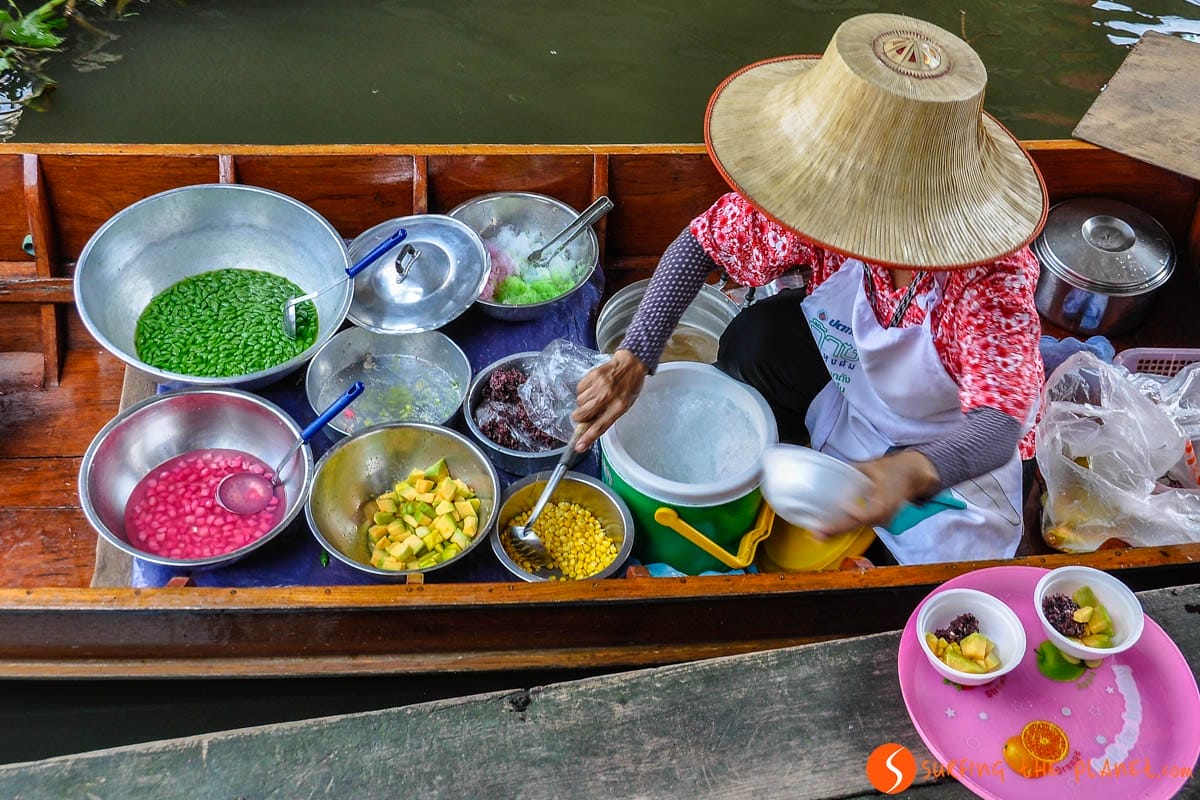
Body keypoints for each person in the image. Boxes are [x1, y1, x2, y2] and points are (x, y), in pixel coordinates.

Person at [571, 12, 1049, 565]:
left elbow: (996, 425)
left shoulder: (992, 275)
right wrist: (636, 355)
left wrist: (905, 473)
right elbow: (700, 244)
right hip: (856, 389)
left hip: (953, 445)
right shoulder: (824, 199)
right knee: (754, 339)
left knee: (945, 564)